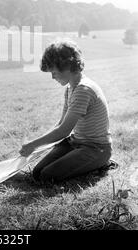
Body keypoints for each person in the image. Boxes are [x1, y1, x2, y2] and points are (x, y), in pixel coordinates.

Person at [19, 40, 113, 183]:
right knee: (37, 173)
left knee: (47, 177)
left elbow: (63, 131)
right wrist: (37, 144)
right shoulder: (70, 89)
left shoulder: (83, 90)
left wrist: (33, 144)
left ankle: (101, 164)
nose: (52, 77)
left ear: (67, 66)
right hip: (75, 142)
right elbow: (61, 124)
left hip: (95, 148)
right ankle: (86, 163)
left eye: (54, 72)